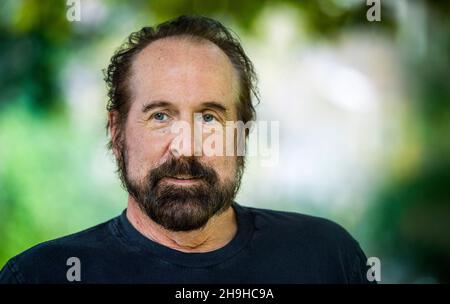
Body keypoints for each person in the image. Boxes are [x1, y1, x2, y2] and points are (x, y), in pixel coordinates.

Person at [0, 15, 373, 283]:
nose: (186, 147)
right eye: (160, 116)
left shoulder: (326, 257)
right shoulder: (40, 275)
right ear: (117, 132)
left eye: (209, 118)